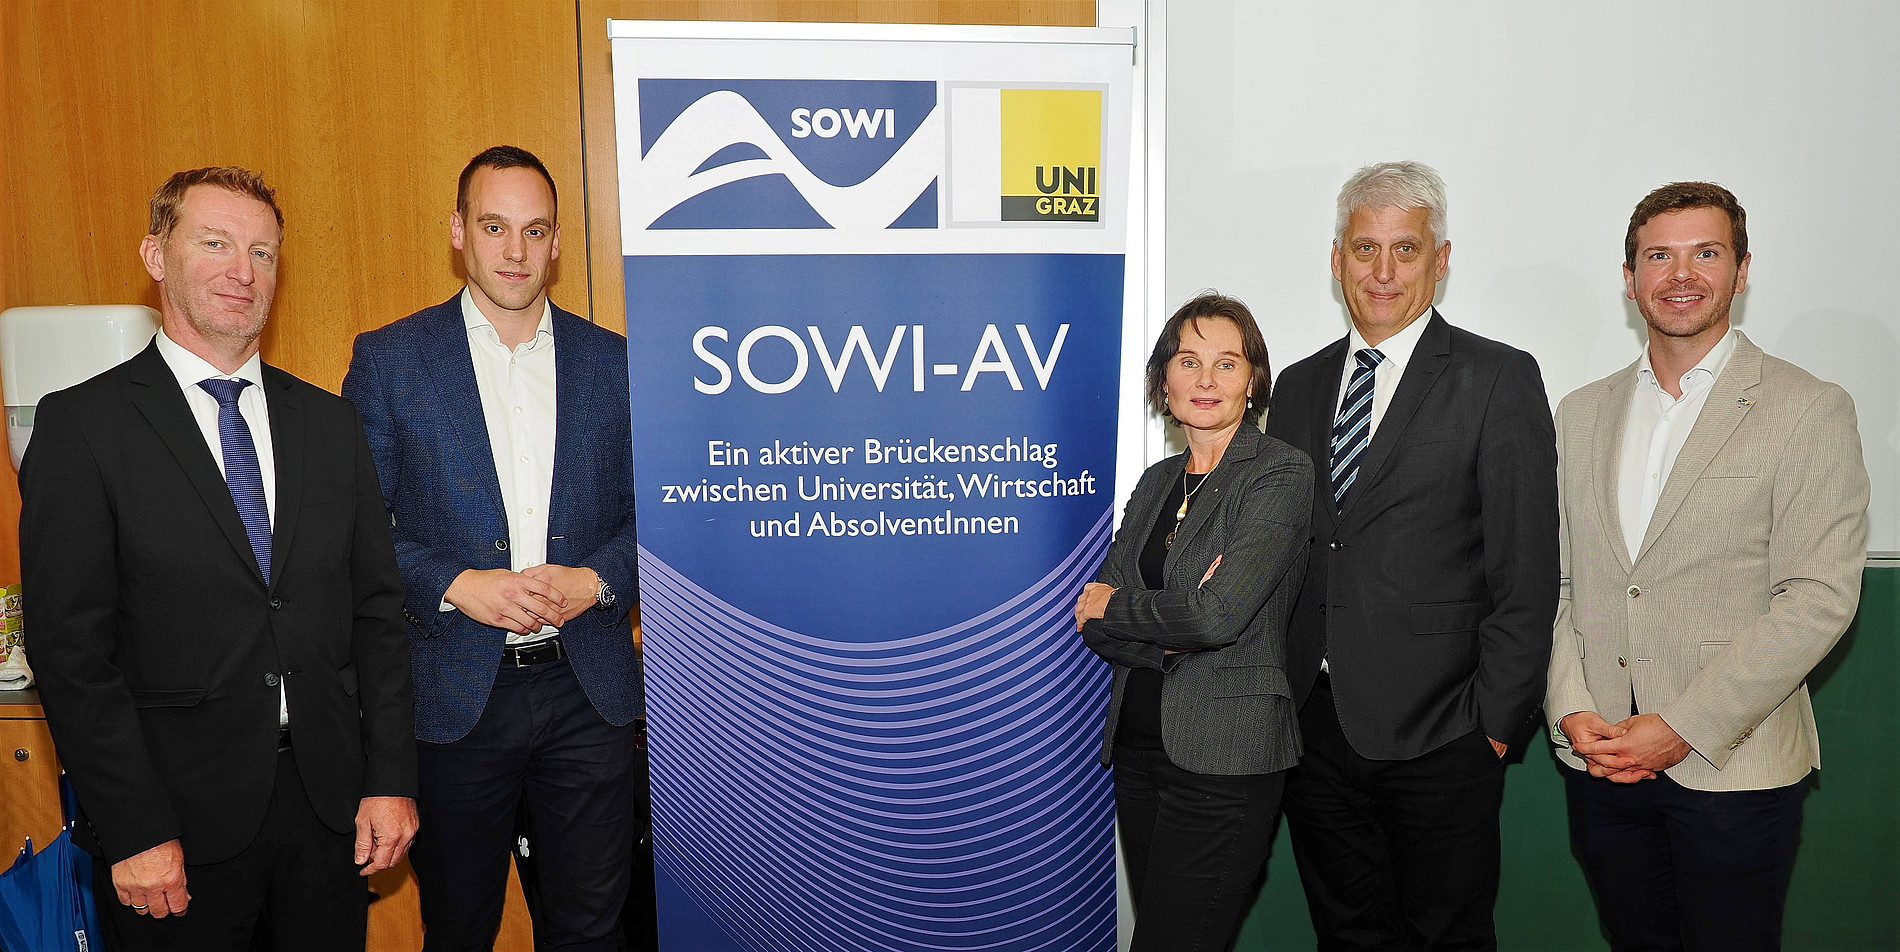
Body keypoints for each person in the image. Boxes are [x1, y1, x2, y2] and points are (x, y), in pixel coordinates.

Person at [20, 166, 418, 950]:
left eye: (263, 252)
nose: (244, 271)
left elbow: (378, 614)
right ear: (155, 256)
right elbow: (71, 653)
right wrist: (133, 828)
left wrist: (391, 780)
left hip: (329, 815)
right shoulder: (83, 428)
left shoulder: (331, 425)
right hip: (171, 828)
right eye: (216, 244)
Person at [1545, 182, 1868, 952]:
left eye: (1706, 253)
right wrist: (1569, 711)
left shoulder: (1808, 406)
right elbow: (1557, 584)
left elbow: (1818, 597)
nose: (1680, 273)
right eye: (1659, 255)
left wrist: (1682, 727)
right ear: (1630, 278)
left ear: (1742, 270)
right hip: (1603, 768)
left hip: (1736, 772)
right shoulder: (1580, 413)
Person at [342, 145, 642, 951]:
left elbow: (660, 516)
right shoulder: (391, 360)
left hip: (591, 693)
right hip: (451, 699)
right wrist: (457, 584)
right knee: (461, 928)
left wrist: (599, 581)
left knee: (592, 930)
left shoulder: (616, 362)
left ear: (555, 242)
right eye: (495, 226)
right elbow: (357, 526)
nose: (516, 251)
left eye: (535, 230)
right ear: (458, 233)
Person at [1264, 161, 1558, 951]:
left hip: (1446, 732)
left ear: (1442, 257)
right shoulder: (1294, 387)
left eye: (1406, 249)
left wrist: (1493, 725)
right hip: (1316, 733)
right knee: (1348, 934)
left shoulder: (1499, 378)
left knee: (1447, 936)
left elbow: (1526, 573)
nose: (1383, 271)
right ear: (1337, 261)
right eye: (1365, 249)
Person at [1074, 292, 1312, 952]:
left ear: (1253, 381)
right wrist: (1167, 637)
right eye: (1188, 361)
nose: (1206, 380)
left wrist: (1127, 610)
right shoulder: (1156, 482)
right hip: (1139, 750)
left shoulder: (1279, 474)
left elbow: (1218, 615)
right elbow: (1093, 626)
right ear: (1163, 380)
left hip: (1226, 757)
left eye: (1227, 363)